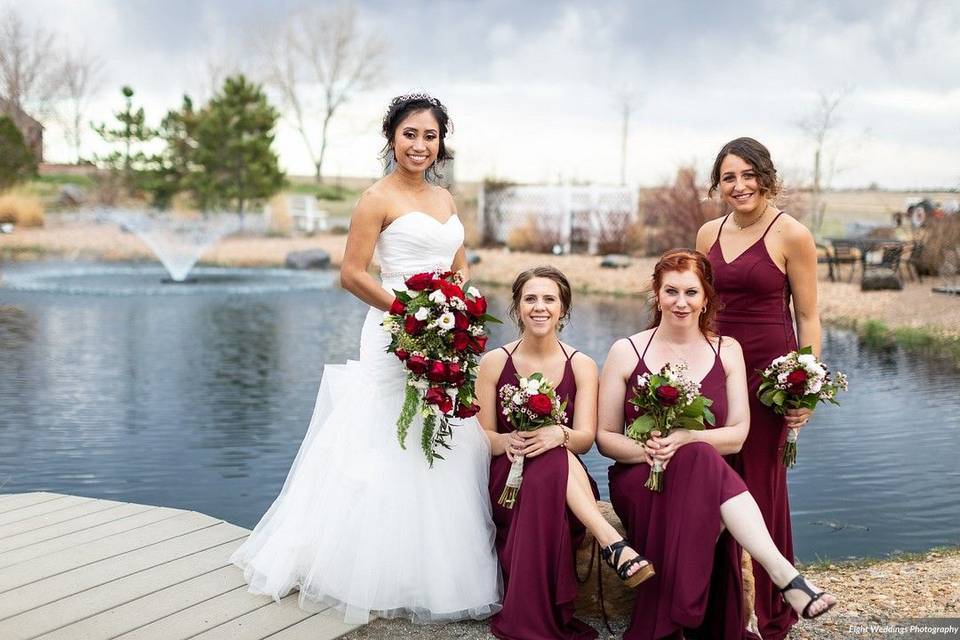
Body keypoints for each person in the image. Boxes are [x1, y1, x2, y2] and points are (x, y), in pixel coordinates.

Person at [230, 93, 500, 624]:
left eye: (430, 136)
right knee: (386, 435)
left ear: (441, 142)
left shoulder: (446, 200)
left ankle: (434, 572)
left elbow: (459, 264)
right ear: (391, 138)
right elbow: (352, 274)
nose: (420, 145)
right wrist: (411, 312)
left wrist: (456, 309)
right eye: (410, 134)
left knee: (439, 435)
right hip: (392, 333)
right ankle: (361, 567)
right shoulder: (375, 198)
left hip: (445, 334)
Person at [597, 249, 836, 640]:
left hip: (700, 473)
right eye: (670, 291)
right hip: (641, 476)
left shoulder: (727, 349)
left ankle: (684, 611)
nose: (680, 302)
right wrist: (649, 450)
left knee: (700, 455)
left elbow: (739, 433)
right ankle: (785, 575)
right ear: (656, 295)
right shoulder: (628, 350)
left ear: (706, 296)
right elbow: (605, 438)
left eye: (691, 292)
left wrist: (687, 439)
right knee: (703, 459)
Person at [476, 266, 653, 640]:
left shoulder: (583, 365)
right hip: (507, 481)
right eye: (530, 299)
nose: (539, 307)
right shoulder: (494, 363)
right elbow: (482, 438)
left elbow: (585, 438)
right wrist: (506, 442)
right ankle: (613, 544)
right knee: (550, 456)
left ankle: (608, 546)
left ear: (563, 308)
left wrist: (558, 433)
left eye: (549, 299)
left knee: (555, 453)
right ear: (517, 307)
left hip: (561, 478)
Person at [696, 137, 821, 640]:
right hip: (715, 374)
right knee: (714, 489)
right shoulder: (708, 232)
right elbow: (697, 303)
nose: (739, 185)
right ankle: (724, 615)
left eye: (748, 175)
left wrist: (804, 390)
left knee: (765, 493)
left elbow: (809, 318)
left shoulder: (792, 235)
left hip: (769, 380)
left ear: (766, 177)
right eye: (729, 177)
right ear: (718, 184)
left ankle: (776, 617)